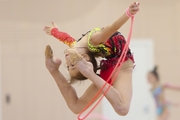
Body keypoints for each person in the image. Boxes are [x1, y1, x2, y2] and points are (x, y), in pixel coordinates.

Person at [44, 2, 140, 116]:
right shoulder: (95, 40)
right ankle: (83, 72)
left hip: (112, 65)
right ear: (84, 58)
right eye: (73, 65)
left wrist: (54, 32)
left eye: (68, 66)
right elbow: (113, 27)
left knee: (77, 107)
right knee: (122, 109)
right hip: (122, 65)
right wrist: (128, 14)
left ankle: (53, 69)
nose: (68, 62)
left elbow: (65, 38)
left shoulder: (76, 45)